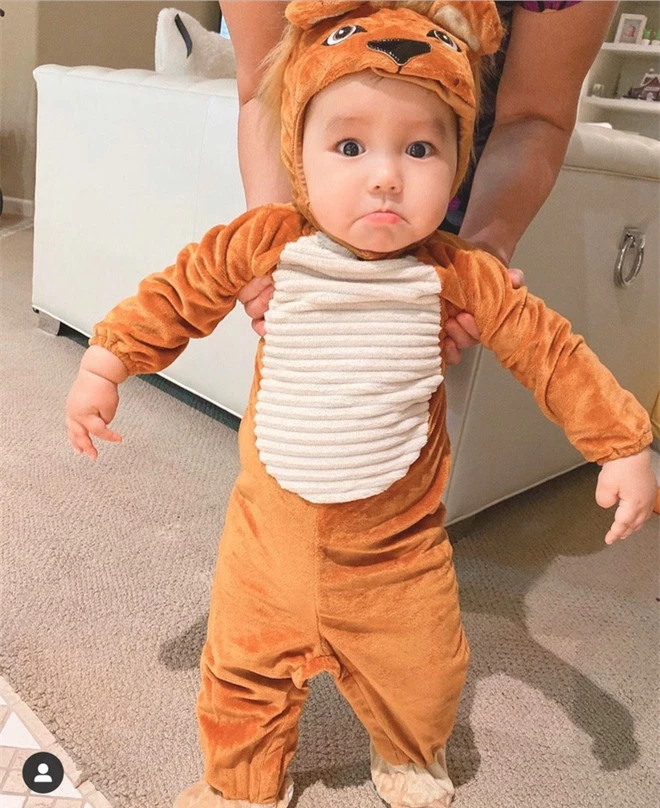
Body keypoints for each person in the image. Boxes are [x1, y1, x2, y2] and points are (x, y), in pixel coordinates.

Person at [65, 3, 655, 807]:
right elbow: (177, 295)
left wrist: (621, 442)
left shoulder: (462, 274)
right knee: (240, 668)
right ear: (299, 149)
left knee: (422, 668)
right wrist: (105, 363)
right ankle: (241, 782)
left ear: (458, 162)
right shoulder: (264, 242)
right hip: (268, 541)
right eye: (349, 147)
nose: (385, 176)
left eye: (419, 149)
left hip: (395, 551)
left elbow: (552, 353)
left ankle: (409, 754)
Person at [222, 0, 618, 363]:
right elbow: (262, 86)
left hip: (465, 175)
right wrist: (270, 239)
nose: (385, 180)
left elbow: (534, 114)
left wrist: (480, 259)